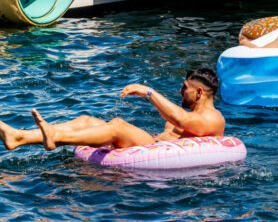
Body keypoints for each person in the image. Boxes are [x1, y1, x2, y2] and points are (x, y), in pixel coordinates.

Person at [0, 68, 225, 152]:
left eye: (185, 88)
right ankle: (19, 137)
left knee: (117, 125)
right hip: (153, 144)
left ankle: (56, 136)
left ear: (198, 93)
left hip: (157, 150)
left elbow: (180, 119)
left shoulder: (212, 119)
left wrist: (148, 91)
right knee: (87, 120)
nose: (180, 91)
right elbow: (178, 117)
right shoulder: (192, 112)